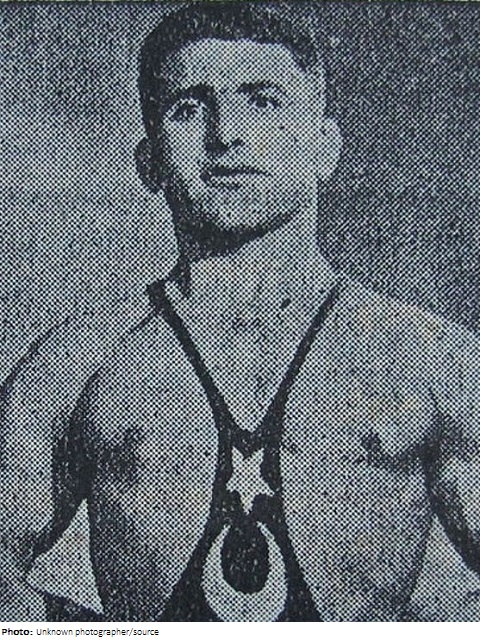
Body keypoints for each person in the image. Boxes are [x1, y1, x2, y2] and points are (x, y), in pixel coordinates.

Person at [2, 0, 480, 622]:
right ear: (150, 162)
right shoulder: (76, 364)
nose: (226, 133)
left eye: (263, 101)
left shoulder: (431, 359)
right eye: (189, 107)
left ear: (324, 148)